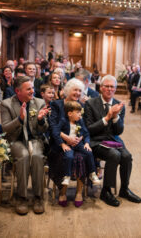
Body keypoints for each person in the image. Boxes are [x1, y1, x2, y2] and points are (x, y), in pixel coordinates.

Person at [84, 75, 141, 207]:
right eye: (107, 86)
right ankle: (106, 191)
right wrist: (108, 117)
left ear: (115, 89)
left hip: (113, 140)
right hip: (96, 141)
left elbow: (118, 131)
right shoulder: (90, 104)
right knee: (114, 155)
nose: (109, 89)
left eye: (112, 87)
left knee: (127, 156)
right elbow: (89, 129)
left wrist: (115, 118)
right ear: (101, 88)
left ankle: (124, 189)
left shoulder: (118, 105)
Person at [0, 76, 50, 215]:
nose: (32, 91)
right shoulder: (6, 104)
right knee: (23, 156)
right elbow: (5, 128)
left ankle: (38, 197)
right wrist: (19, 119)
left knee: (36, 156)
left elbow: (44, 129)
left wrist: (40, 120)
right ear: (18, 91)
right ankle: (21, 197)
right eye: (29, 89)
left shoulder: (39, 102)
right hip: (16, 140)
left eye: (33, 88)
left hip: (35, 139)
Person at [48, 78, 96, 207]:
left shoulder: (81, 106)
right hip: (60, 145)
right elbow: (52, 127)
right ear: (68, 90)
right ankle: (62, 192)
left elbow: (83, 127)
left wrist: (80, 138)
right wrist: (66, 138)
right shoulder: (57, 105)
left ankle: (79, 192)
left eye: (80, 90)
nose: (78, 93)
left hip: (77, 144)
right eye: (75, 90)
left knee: (82, 157)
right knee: (66, 157)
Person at [55, 101, 101, 207]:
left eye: (80, 113)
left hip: (79, 145)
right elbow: (56, 132)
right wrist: (62, 143)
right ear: (70, 113)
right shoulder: (63, 121)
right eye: (78, 113)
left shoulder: (80, 122)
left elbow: (86, 133)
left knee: (89, 153)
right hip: (68, 145)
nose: (80, 115)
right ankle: (67, 176)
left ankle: (92, 174)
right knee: (69, 156)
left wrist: (87, 144)